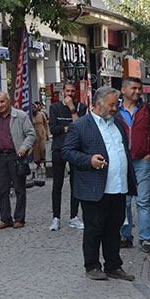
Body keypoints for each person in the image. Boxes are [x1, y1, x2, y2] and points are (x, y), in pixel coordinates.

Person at [62, 86, 137, 281]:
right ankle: (92, 265)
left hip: (118, 187)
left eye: (116, 104)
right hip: (95, 188)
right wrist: (89, 161)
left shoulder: (118, 124)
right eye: (112, 105)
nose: (115, 108)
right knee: (94, 229)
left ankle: (113, 265)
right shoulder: (80, 126)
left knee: (114, 228)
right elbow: (67, 151)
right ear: (98, 104)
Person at [0, 92, 36, 229]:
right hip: (0, 157)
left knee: (19, 188)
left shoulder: (20, 116)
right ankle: (5, 219)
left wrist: (23, 148)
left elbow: (31, 134)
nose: (0, 105)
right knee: (2, 189)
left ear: (8, 101)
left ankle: (19, 219)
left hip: (15, 156)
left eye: (2, 102)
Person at [116, 77, 150, 254]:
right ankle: (125, 236)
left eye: (139, 89)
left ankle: (146, 238)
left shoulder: (148, 110)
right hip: (121, 162)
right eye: (134, 88)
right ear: (123, 90)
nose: (137, 92)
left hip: (142, 161)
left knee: (143, 201)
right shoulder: (114, 110)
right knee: (123, 201)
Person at [48, 82, 87, 231]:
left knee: (75, 183)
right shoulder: (54, 107)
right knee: (57, 184)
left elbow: (80, 127)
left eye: (72, 91)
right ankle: (56, 218)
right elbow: (53, 128)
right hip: (59, 149)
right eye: (67, 91)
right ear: (63, 92)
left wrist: (72, 109)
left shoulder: (80, 108)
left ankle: (74, 216)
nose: (69, 94)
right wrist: (69, 128)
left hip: (76, 149)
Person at [31, 102, 49, 178]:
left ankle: (44, 161)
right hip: (34, 135)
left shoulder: (41, 114)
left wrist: (47, 133)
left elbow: (45, 124)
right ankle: (37, 163)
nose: (33, 109)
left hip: (42, 133)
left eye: (34, 107)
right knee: (36, 150)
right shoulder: (29, 116)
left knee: (42, 148)